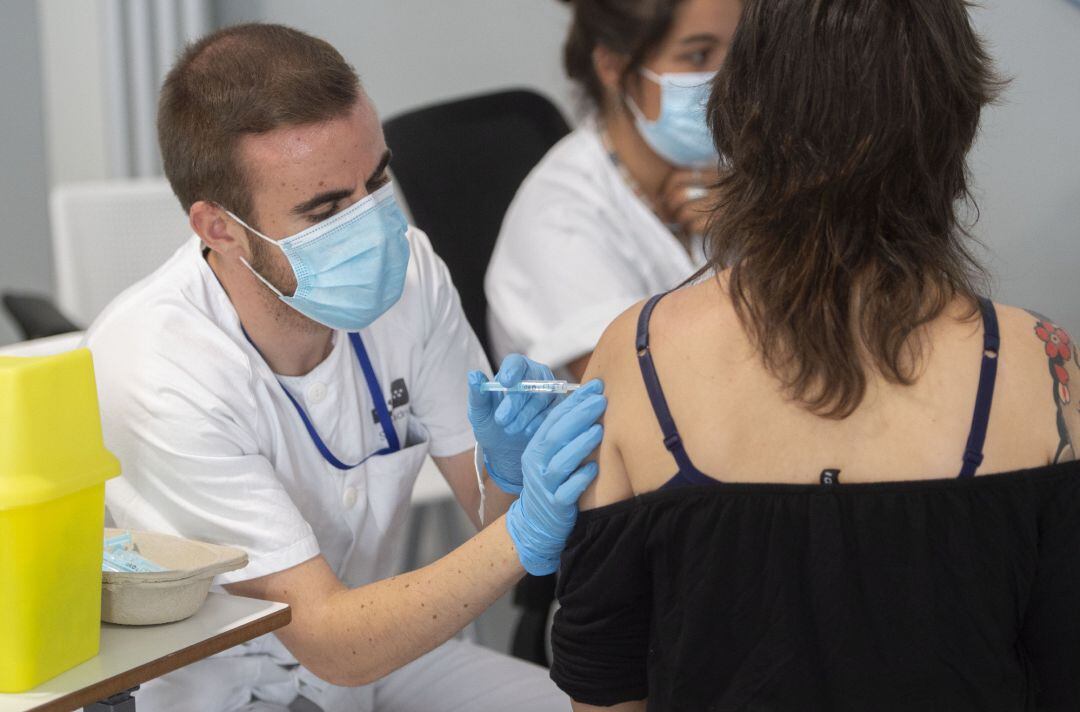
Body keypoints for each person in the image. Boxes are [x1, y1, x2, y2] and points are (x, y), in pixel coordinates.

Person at [549, 1, 1080, 710]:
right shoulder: (1040, 368)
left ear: (739, 114)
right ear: (955, 123)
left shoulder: (638, 353)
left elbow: (603, 690)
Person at [85, 24, 606, 712]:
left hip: (372, 650)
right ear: (219, 228)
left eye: (379, 178)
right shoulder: (157, 364)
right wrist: (526, 530)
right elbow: (327, 636)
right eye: (327, 208)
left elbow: (491, 519)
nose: (374, 224)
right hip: (215, 687)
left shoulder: (409, 274)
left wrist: (507, 480)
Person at [486, 0, 743, 379]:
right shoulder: (559, 220)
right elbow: (640, 395)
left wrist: (756, 222)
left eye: (737, 52)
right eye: (698, 54)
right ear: (613, 66)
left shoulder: (738, 173)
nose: (729, 77)